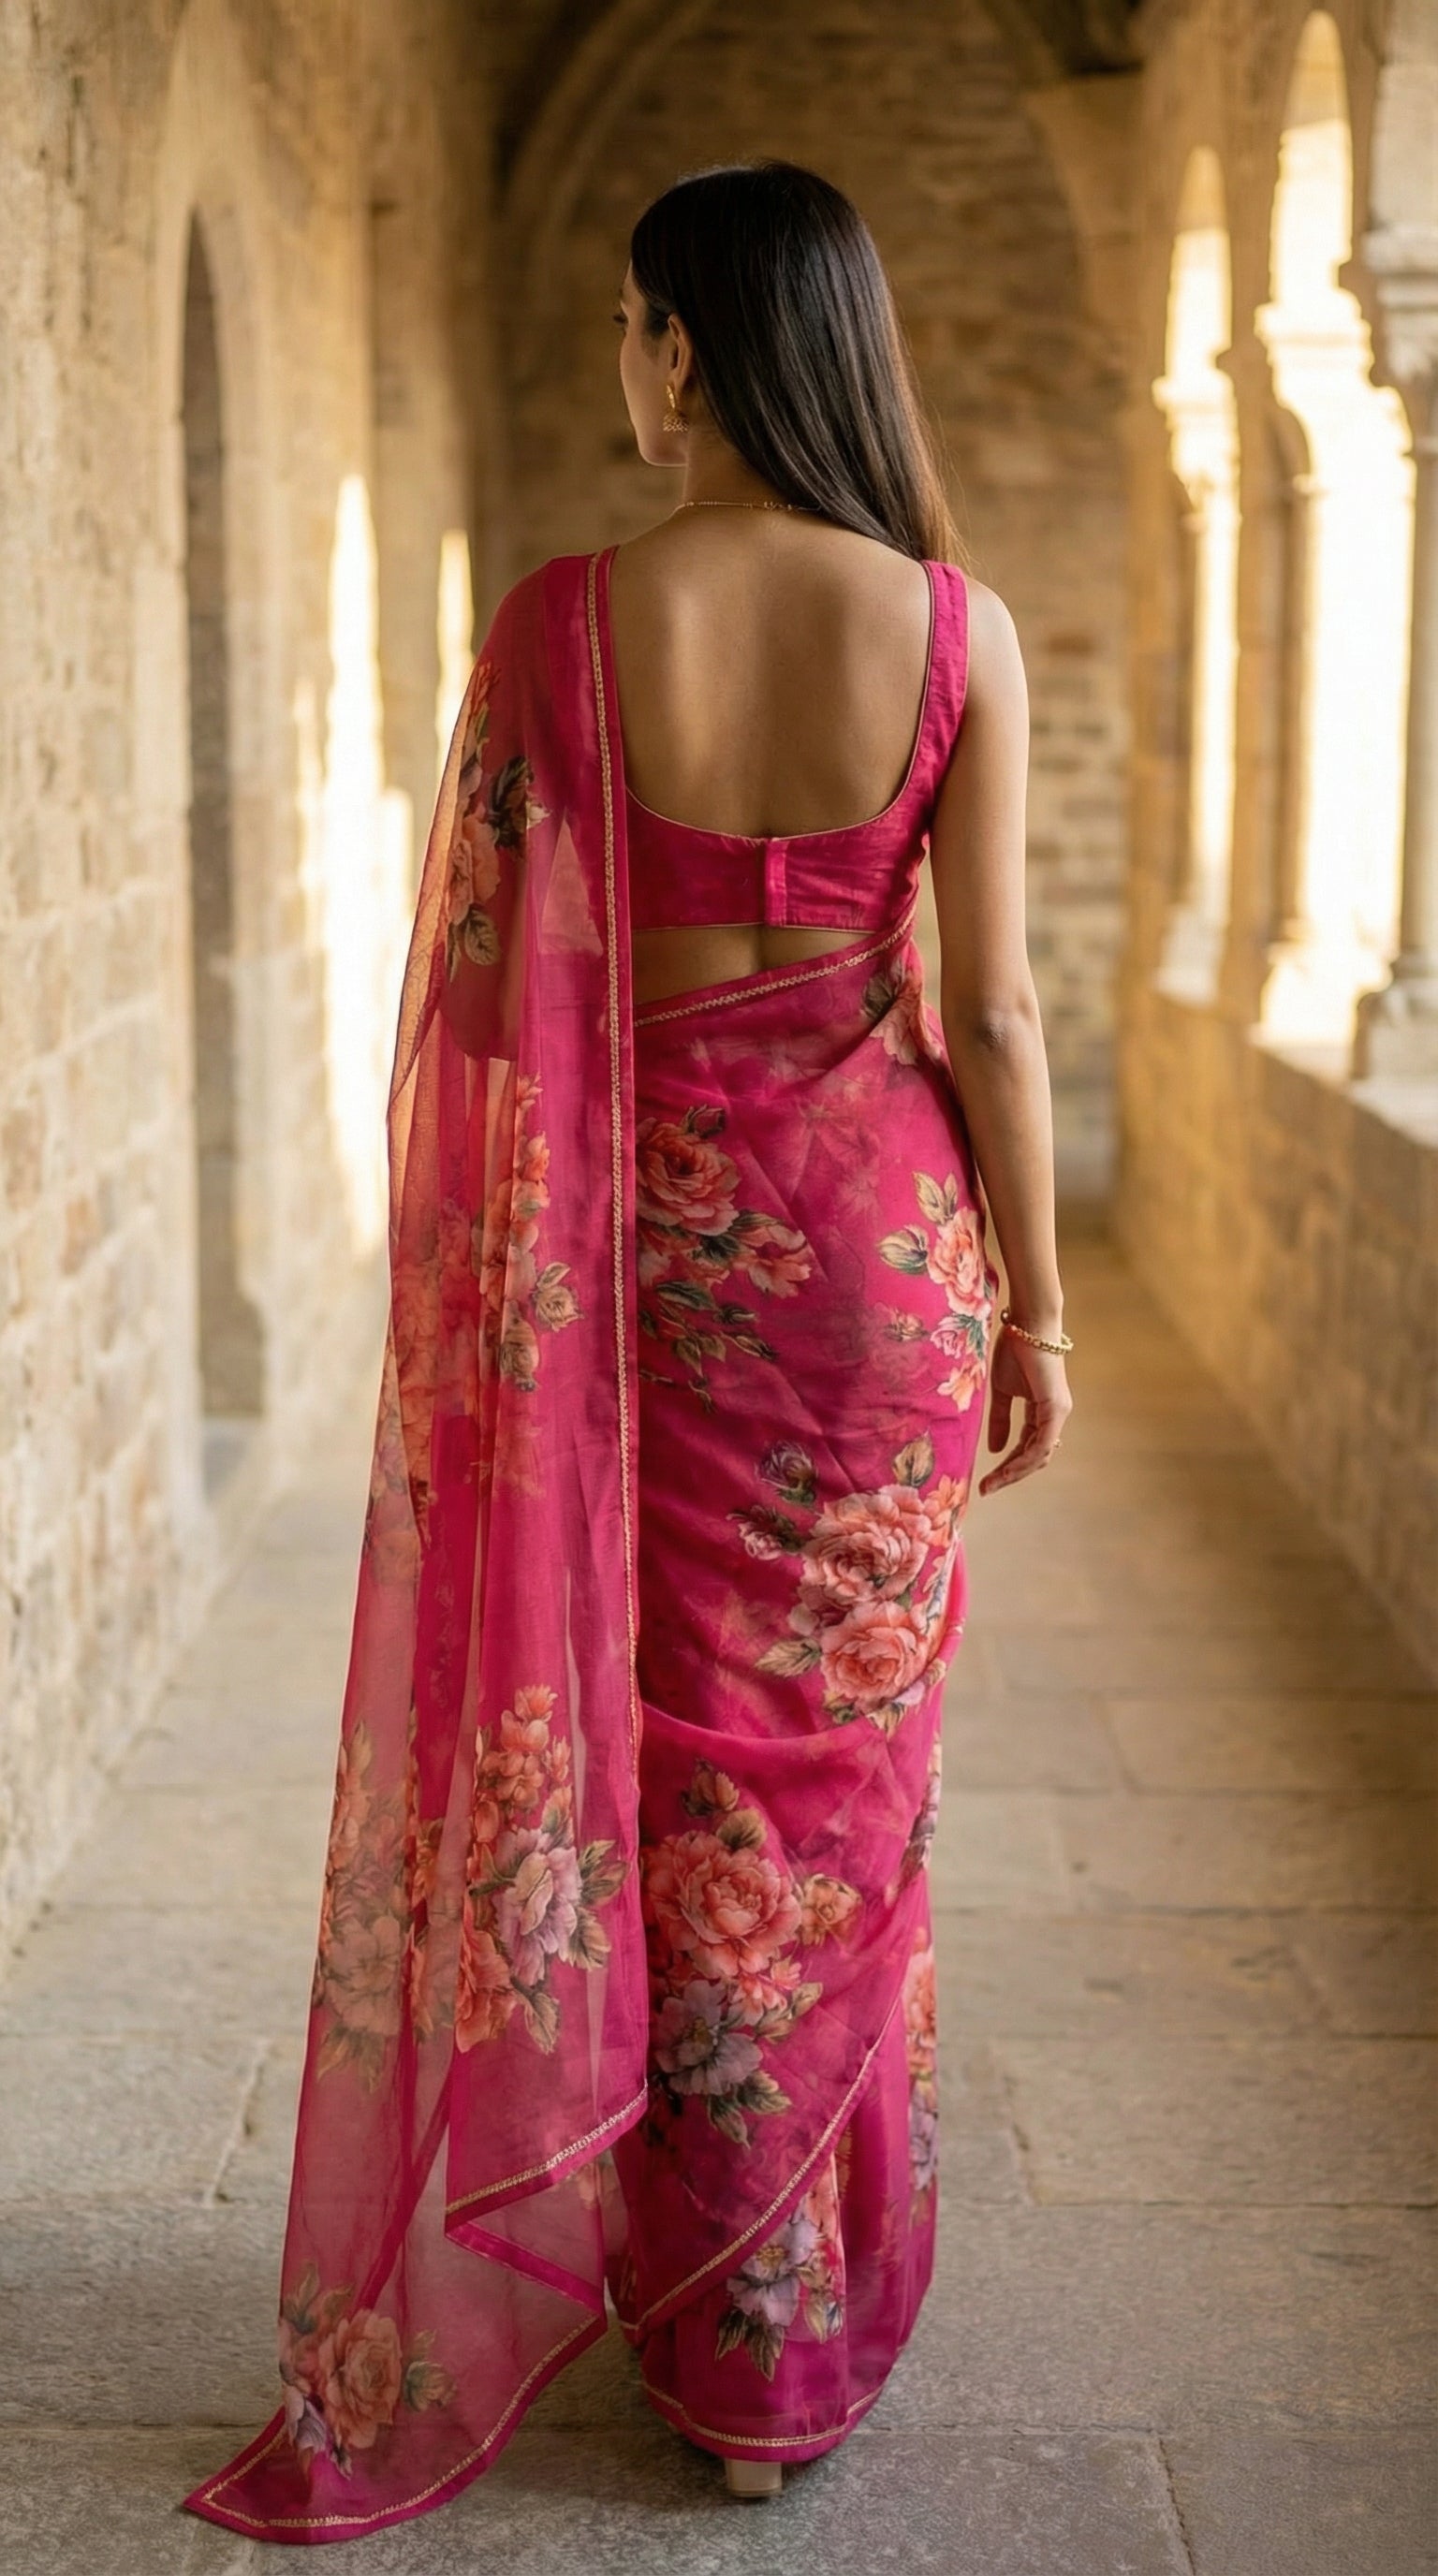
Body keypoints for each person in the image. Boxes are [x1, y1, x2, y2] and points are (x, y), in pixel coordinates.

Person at [184, 158, 1071, 2547]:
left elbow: (479, 995)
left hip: (638, 1263)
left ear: (685, 347)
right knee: (840, 1785)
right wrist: (1046, 1301)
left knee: (658, 1771)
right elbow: (989, 1008)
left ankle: (684, 2291)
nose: (622, 365)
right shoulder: (961, 632)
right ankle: (778, 2354)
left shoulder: (560, 625)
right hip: (882, 1262)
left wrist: (515, 1274)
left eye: (628, 328)